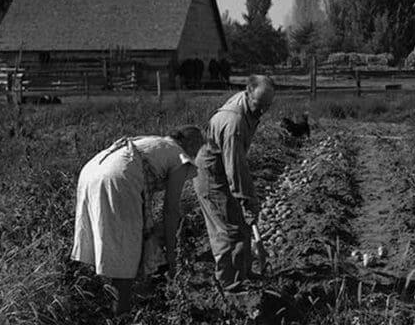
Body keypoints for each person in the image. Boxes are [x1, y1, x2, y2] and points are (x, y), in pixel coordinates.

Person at [70, 125, 204, 315]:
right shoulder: (180, 155)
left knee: (106, 239)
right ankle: (121, 313)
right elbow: (171, 211)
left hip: (93, 170)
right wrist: (174, 261)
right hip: (117, 178)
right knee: (126, 247)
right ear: (192, 146)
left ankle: (106, 299)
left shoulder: (157, 143)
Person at [193, 75, 275, 292]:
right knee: (229, 230)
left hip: (223, 167)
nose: (263, 111)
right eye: (259, 105)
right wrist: (247, 201)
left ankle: (244, 273)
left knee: (242, 225)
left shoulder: (247, 105)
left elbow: (235, 166)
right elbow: (235, 170)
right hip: (212, 176)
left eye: (267, 106)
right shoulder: (234, 124)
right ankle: (229, 284)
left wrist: (246, 204)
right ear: (248, 93)